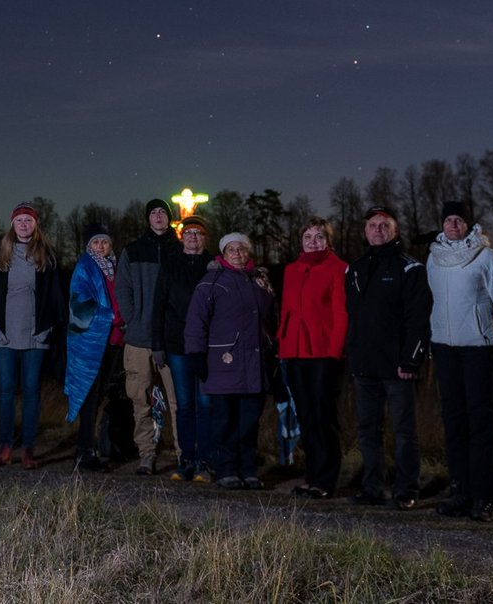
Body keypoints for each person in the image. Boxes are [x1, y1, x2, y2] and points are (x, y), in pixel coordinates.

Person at [427, 201, 493, 520]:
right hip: (445, 348)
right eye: (448, 219)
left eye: (459, 219)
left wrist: (492, 333)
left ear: (469, 225)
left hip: (478, 348)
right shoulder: (434, 257)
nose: (453, 224)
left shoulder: (485, 256)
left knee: (480, 424)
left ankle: (485, 497)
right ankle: (460, 492)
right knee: (454, 423)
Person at [345, 205, 431, 508]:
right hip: (364, 366)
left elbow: (418, 319)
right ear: (365, 231)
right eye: (372, 225)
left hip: (398, 367)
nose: (378, 230)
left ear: (395, 230)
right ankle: (373, 487)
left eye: (385, 225)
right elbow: (353, 317)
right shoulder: (355, 268)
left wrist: (411, 360)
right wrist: (352, 356)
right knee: (368, 429)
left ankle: (407, 489)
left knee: (404, 431)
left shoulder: (410, 268)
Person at [0, 202, 67, 469]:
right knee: (5, 392)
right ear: (12, 224)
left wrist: (45, 331)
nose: (24, 225)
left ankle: (27, 449)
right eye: (19, 220)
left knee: (31, 392)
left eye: (29, 220)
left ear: (35, 225)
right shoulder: (0, 256)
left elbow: (53, 300)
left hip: (35, 338)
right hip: (3, 337)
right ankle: (4, 447)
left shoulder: (45, 256)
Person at [184, 231, 276, 490]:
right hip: (223, 364)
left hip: (255, 365)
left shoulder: (260, 281)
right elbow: (196, 322)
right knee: (224, 421)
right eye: (231, 250)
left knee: (248, 422)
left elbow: (272, 319)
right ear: (223, 254)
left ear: (248, 252)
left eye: (242, 249)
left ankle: (248, 469)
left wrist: (272, 351)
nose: (237, 254)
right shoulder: (211, 282)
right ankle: (225, 469)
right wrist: (196, 354)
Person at [279, 216, 349, 499]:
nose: (313, 242)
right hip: (295, 351)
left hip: (323, 352)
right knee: (305, 415)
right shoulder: (292, 269)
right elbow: (286, 310)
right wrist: (283, 346)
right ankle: (311, 475)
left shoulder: (338, 268)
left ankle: (327, 478)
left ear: (328, 240)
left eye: (319, 236)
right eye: (308, 237)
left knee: (323, 415)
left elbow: (341, 313)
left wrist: (335, 352)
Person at [114, 197, 183, 475]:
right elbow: (123, 290)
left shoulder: (178, 250)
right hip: (139, 339)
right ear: (147, 218)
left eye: (162, 212)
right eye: (153, 212)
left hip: (170, 339)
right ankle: (147, 453)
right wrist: (134, 321)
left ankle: (184, 453)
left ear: (168, 218)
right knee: (140, 398)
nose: (158, 216)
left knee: (178, 400)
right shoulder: (133, 250)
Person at [153, 213, 215, 482]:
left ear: (204, 238)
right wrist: (158, 344)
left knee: (205, 403)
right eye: (188, 233)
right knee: (184, 403)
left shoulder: (213, 266)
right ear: (182, 237)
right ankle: (187, 458)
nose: (193, 238)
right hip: (177, 344)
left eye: (198, 234)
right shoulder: (170, 265)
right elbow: (158, 306)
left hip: (206, 345)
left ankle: (206, 460)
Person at [65, 223, 124, 470]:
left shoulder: (116, 268)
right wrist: (109, 316)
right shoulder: (85, 268)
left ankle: (96, 446)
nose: (101, 246)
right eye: (96, 243)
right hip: (90, 343)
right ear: (89, 246)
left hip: (113, 340)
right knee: (89, 394)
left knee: (100, 395)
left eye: (105, 242)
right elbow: (79, 303)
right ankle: (84, 451)